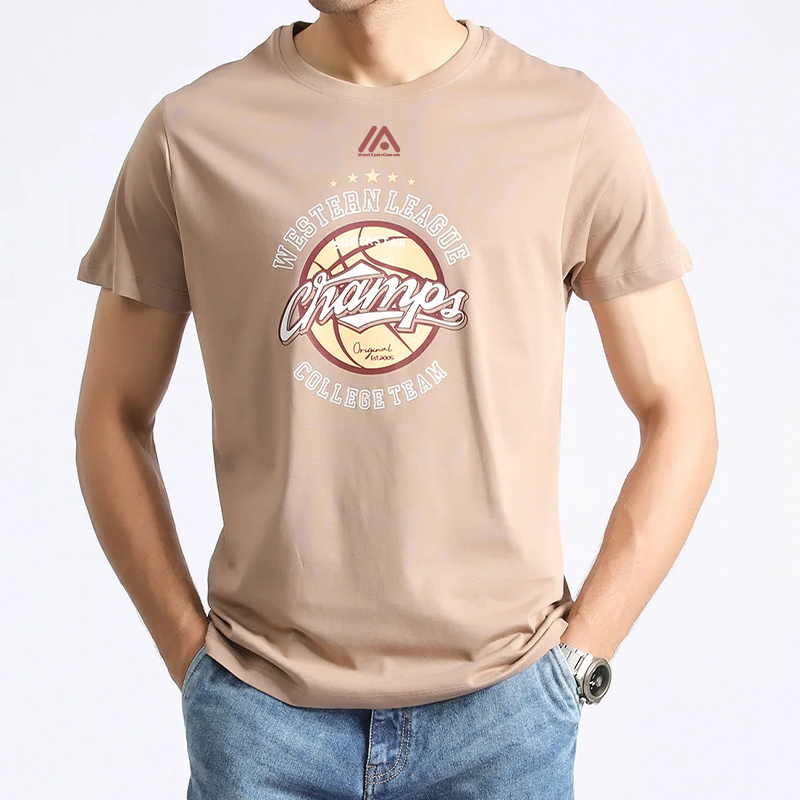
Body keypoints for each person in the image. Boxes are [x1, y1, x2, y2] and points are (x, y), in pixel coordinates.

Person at [74, 1, 718, 798]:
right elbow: (111, 412)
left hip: (503, 721)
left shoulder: (570, 125)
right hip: (262, 722)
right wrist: (194, 661)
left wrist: (579, 660)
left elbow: (679, 411)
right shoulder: (192, 134)